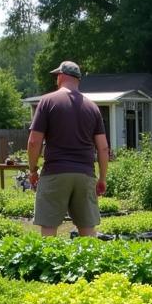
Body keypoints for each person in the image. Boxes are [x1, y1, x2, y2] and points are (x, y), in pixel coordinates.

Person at [27, 60, 109, 238]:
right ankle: (89, 265)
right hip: (85, 174)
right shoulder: (92, 107)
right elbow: (103, 148)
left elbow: (34, 142)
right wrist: (102, 178)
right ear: (78, 79)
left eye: (57, 75)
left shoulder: (47, 101)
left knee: (49, 229)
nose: (56, 78)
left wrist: (33, 170)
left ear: (62, 76)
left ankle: (49, 265)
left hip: (55, 172)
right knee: (87, 230)